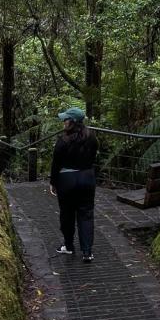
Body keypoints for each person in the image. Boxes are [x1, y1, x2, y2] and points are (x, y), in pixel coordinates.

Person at [49, 106, 98, 262]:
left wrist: (53, 182)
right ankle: (87, 252)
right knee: (86, 214)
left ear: (73, 122)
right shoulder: (92, 137)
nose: (63, 121)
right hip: (87, 179)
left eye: (66, 119)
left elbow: (56, 164)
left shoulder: (63, 141)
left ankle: (69, 245)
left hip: (67, 181)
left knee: (67, 213)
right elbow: (93, 158)